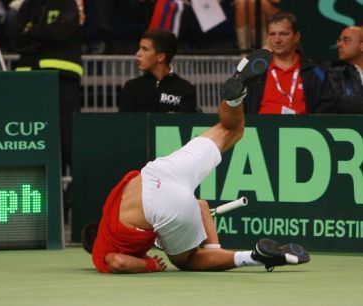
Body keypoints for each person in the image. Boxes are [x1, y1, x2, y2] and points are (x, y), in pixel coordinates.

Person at [82, 48, 310, 273]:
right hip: (159, 171)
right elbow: (200, 205)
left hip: (159, 206)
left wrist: (150, 264)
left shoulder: (103, 246)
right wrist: (213, 247)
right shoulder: (114, 207)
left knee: (188, 260)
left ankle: (253, 258)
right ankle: (235, 96)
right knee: (231, 130)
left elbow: (117, 262)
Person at [11, 0, 83, 223]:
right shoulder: (27, 6)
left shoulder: (68, 5)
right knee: (31, 145)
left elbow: (61, 33)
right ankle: (38, 213)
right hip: (29, 82)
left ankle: (71, 211)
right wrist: (44, 34)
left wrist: (33, 31)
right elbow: (15, 39)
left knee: (66, 145)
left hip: (62, 83)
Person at [243, 12, 336, 114]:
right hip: (261, 128)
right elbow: (238, 109)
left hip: (303, 128)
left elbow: (326, 113)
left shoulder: (316, 72)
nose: (277, 40)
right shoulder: (254, 72)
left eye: (283, 34)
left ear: (296, 36)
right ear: (267, 38)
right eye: (272, 34)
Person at [119, 29, 199, 113]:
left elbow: (186, 124)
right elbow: (124, 124)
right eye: (139, 48)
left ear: (160, 57)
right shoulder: (131, 87)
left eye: (145, 49)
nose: (138, 53)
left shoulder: (186, 89)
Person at [328, 26, 363, 114]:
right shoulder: (334, 75)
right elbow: (340, 104)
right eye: (339, 40)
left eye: (346, 40)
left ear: (362, 46)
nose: (339, 45)